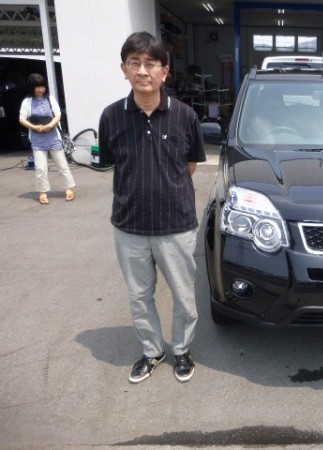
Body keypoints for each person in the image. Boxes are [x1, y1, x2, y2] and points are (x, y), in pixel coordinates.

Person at [98, 31, 206, 383]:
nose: (142, 71)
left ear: (164, 71)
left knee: (184, 296)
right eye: (134, 63)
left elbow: (190, 166)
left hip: (176, 226)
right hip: (129, 227)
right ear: (124, 69)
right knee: (140, 296)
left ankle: (181, 349)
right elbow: (112, 162)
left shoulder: (185, 116)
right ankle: (152, 351)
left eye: (150, 64)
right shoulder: (111, 116)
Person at [19, 73, 76, 204]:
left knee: (62, 165)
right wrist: (35, 127)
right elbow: (22, 119)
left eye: (43, 86)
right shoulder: (27, 102)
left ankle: (69, 189)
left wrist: (50, 125)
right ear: (32, 87)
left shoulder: (50, 99)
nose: (41, 89)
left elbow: (58, 115)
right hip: (37, 139)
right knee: (41, 168)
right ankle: (43, 193)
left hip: (53, 137)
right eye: (38, 87)